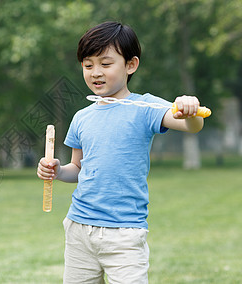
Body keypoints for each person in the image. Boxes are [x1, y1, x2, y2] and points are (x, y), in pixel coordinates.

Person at [37, 21, 205, 284]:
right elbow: (78, 169)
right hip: (79, 228)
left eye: (105, 64)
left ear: (130, 65)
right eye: (88, 65)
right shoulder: (81, 117)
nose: (95, 72)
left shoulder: (145, 107)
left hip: (125, 233)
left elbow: (190, 126)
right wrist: (58, 171)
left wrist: (190, 110)